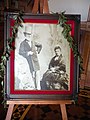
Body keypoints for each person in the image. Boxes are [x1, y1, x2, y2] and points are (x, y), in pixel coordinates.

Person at [19, 25, 42, 90]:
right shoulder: (22, 43)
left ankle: (38, 88)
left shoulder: (33, 42)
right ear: (25, 35)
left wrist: (38, 51)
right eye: (27, 34)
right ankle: (33, 88)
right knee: (31, 75)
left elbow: (40, 45)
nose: (28, 35)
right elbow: (20, 52)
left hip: (35, 61)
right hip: (28, 61)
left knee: (37, 73)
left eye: (29, 34)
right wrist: (27, 53)